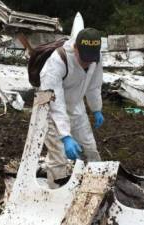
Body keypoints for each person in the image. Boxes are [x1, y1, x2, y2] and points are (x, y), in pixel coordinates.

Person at [39, 28, 104, 188]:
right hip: (48, 106)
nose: (87, 62)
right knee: (59, 156)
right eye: (84, 58)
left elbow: (94, 85)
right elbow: (55, 101)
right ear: (75, 48)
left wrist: (96, 108)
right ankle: (56, 194)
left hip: (75, 104)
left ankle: (96, 186)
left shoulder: (96, 58)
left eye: (91, 58)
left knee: (89, 148)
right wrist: (65, 136)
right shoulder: (57, 61)